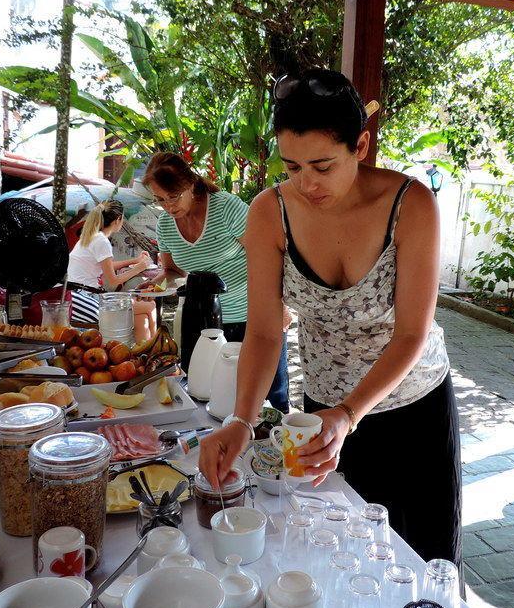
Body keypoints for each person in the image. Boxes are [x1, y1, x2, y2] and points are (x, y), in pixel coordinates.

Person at [198, 69, 460, 567]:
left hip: (412, 409)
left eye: (322, 165)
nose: (306, 183)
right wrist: (240, 419)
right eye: (292, 166)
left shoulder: (411, 205)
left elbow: (411, 334)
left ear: (360, 146)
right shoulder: (270, 212)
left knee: (423, 565)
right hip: (321, 418)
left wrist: (350, 413)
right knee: (338, 559)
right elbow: (264, 331)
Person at [143, 152, 291, 413]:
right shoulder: (165, 224)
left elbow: (269, 255)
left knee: (270, 395)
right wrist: (153, 285)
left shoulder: (225, 208)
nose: (168, 206)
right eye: (160, 200)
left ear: (190, 184)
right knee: (211, 393)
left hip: (254, 314)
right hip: (206, 321)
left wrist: (281, 307)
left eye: (173, 196)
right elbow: (171, 270)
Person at [68, 200, 156, 335]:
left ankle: (145, 350)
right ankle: (149, 350)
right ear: (118, 219)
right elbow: (114, 280)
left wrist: (135, 261)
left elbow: (106, 266)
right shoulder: (101, 241)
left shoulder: (91, 236)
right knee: (149, 306)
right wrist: (140, 267)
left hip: (77, 296)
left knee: (142, 314)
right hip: (83, 299)